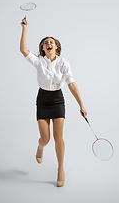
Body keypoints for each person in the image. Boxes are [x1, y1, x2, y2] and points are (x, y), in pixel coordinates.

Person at [20, 18, 87, 187]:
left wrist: (81, 105)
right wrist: (25, 30)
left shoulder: (64, 63)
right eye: (45, 43)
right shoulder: (39, 61)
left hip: (58, 100)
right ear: (43, 48)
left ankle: (60, 169)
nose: (48, 44)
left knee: (58, 138)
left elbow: (71, 84)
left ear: (56, 46)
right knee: (45, 138)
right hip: (43, 100)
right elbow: (23, 50)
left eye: (51, 42)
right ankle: (40, 147)